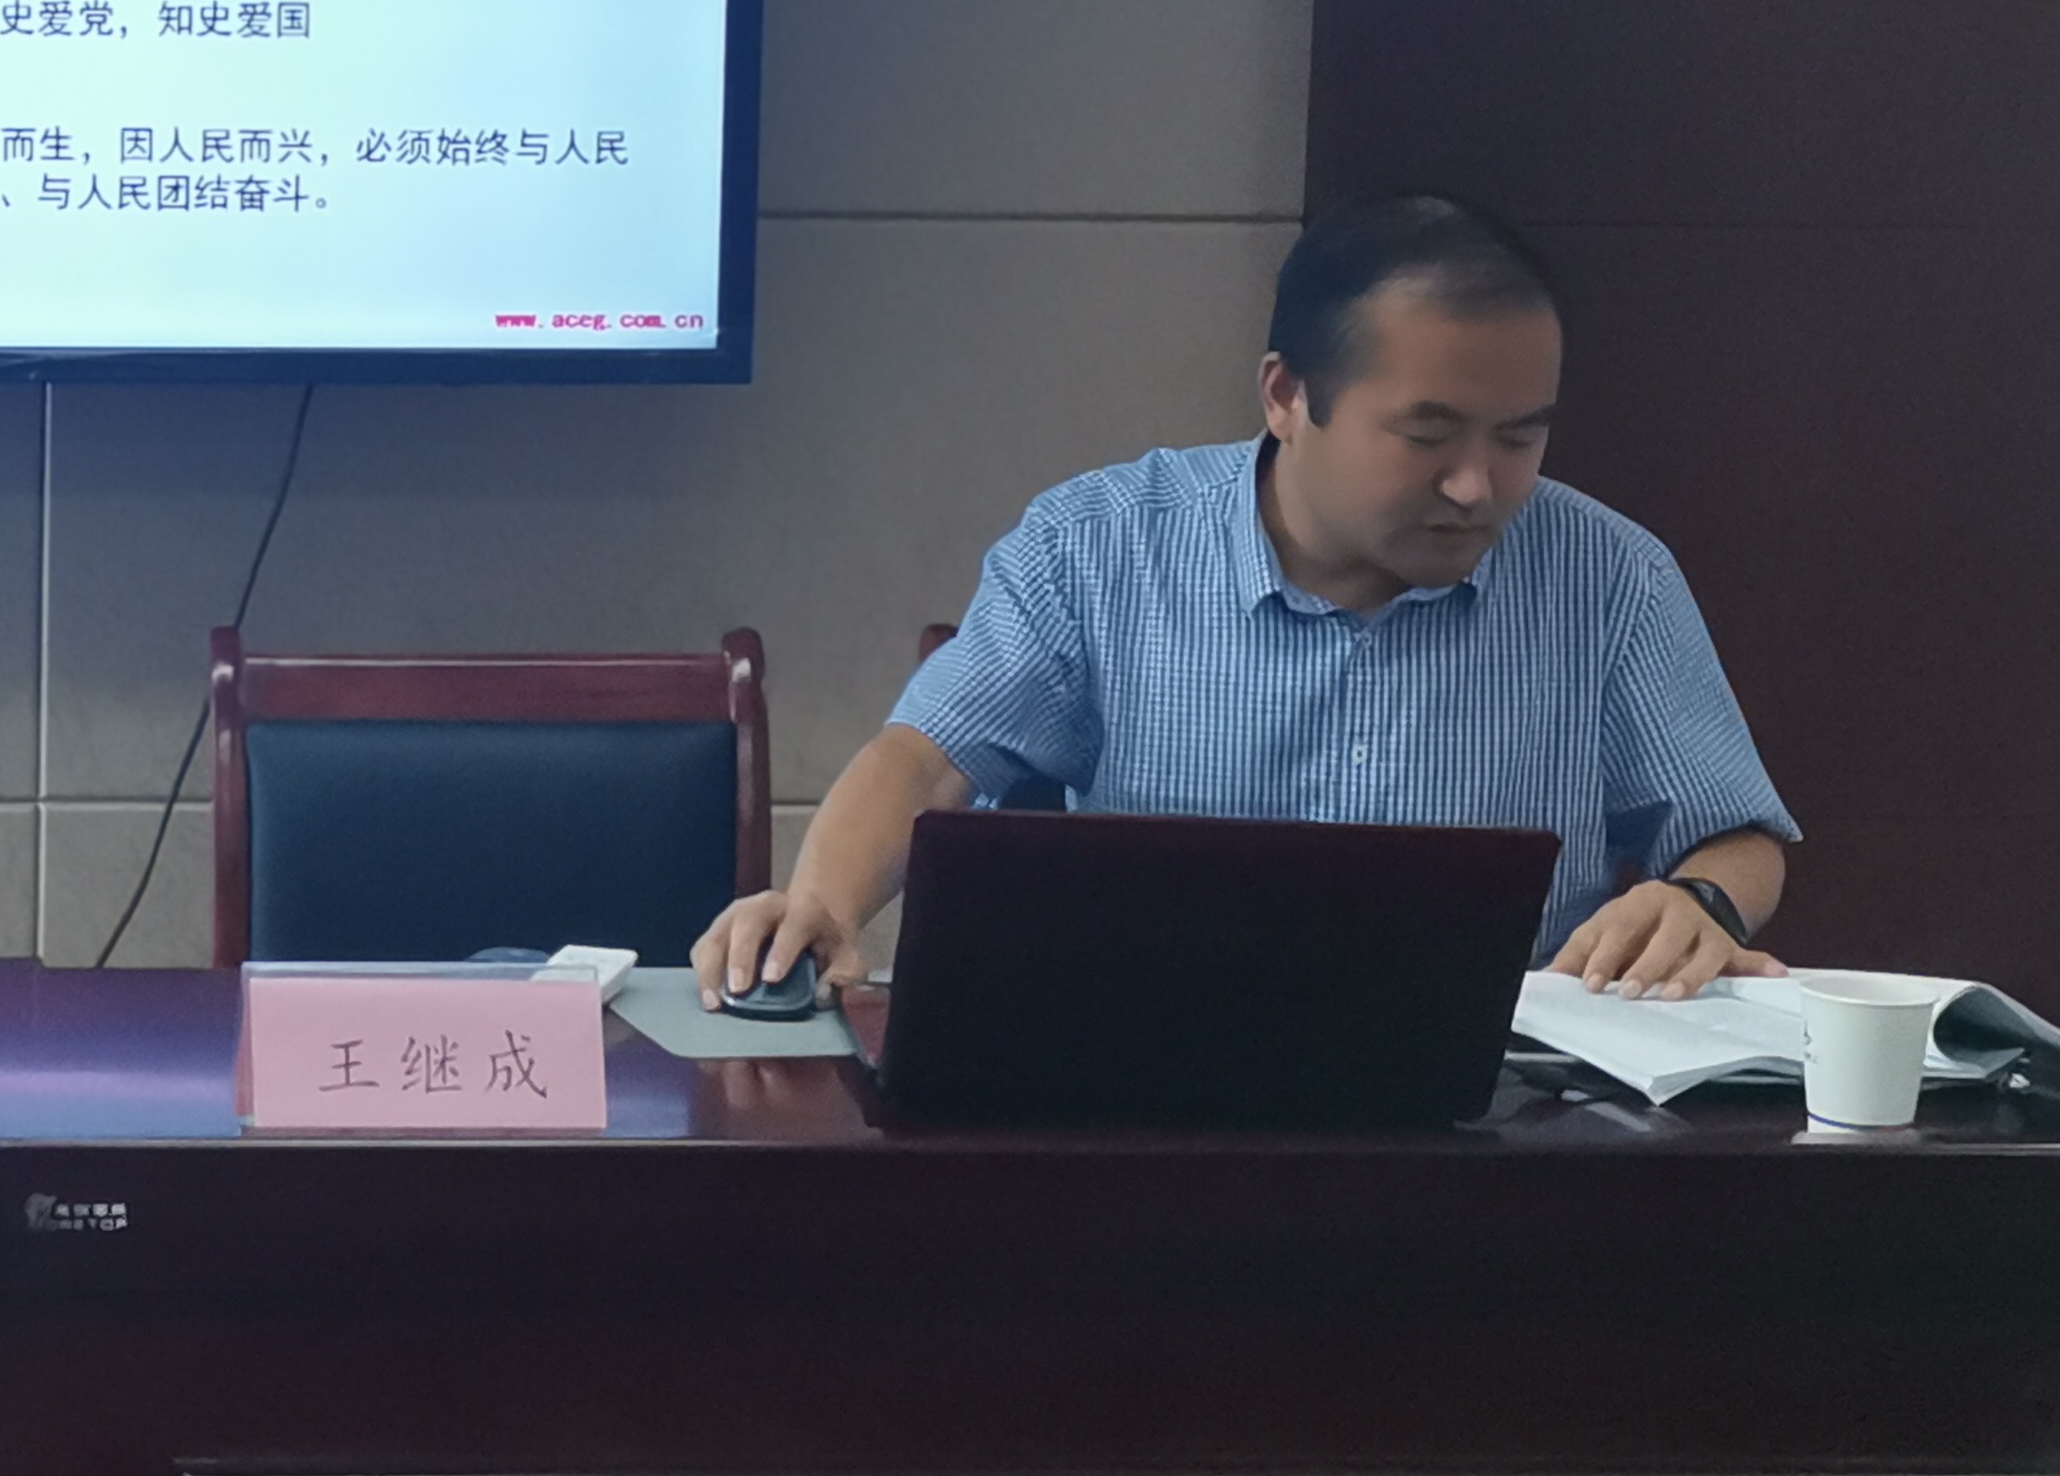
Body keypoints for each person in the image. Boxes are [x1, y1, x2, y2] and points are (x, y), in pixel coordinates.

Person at [694, 194, 1795, 1008]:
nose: (1477, 486)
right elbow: (928, 757)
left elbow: (1737, 835)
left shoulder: (1608, 575)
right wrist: (822, 906)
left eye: (1519, 437)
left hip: (1500, 1120)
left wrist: (1696, 904)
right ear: (1286, 395)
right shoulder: (1100, 546)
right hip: (1156, 1092)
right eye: (1428, 434)